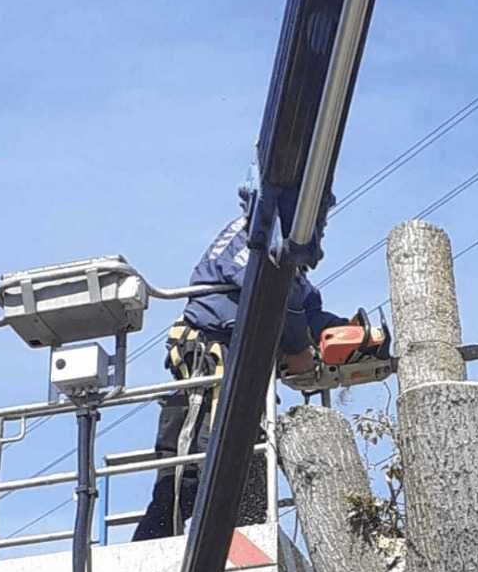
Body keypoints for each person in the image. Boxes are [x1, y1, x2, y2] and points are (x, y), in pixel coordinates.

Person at [133, 187, 347, 542]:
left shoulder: (286, 264)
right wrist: (297, 347)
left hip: (235, 369)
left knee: (238, 463)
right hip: (212, 362)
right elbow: (275, 293)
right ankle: (165, 556)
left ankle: (243, 538)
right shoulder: (256, 240)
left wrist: (339, 332)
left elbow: (305, 308)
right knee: (202, 467)